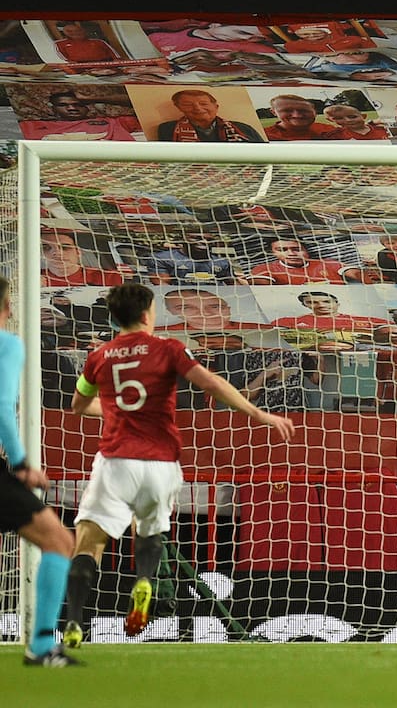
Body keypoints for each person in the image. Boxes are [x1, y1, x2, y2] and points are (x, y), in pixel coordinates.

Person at [64, 283, 294, 648]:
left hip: (115, 459)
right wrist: (257, 413)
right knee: (150, 530)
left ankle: (73, 621)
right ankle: (144, 581)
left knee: (89, 544)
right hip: (160, 462)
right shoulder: (168, 349)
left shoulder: (99, 357)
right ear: (146, 314)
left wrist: (117, 410)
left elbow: (78, 405)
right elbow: (212, 384)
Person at [0, 276, 78, 666]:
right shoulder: (8, 344)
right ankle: (43, 644)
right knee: (59, 541)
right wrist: (20, 462)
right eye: (8, 303)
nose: (12, 310)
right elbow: (1, 408)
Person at [20, 89, 142, 141]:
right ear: (54, 109)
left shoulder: (113, 122)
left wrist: (92, 98)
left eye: (78, 104)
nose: (72, 108)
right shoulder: (29, 125)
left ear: (87, 107)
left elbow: (145, 104)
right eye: (63, 105)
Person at [154, 89, 265, 143]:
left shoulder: (243, 128)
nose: (197, 108)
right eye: (188, 105)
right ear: (179, 108)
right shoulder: (168, 129)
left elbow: (265, 155)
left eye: (204, 104)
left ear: (216, 106)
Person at [247, 237, 361, 285]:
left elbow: (356, 273)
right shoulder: (265, 268)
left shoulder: (328, 263)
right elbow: (260, 286)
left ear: (306, 250)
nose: (291, 254)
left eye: (297, 249)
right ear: (274, 253)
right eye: (283, 250)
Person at [160, 288, 275, 333]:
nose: (206, 313)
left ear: (228, 309)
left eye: (215, 306)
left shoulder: (266, 330)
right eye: (187, 308)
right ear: (171, 312)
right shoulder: (155, 334)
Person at [147, 232, 243, 284]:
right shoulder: (162, 259)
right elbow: (162, 288)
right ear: (184, 238)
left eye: (209, 240)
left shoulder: (221, 262)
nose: (204, 242)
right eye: (197, 238)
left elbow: (234, 286)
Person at [272, 291, 390, 333]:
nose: (321, 305)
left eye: (326, 301)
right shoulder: (289, 321)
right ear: (305, 305)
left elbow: (392, 328)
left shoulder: (363, 320)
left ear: (337, 303)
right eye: (313, 302)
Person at [41, 231, 124, 288]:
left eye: (65, 247)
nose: (57, 253)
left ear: (78, 252)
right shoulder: (31, 280)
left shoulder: (111, 277)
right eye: (46, 248)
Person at [145, 22, 277, 55]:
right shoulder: (162, 36)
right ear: (216, 23)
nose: (244, 38)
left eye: (253, 38)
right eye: (241, 31)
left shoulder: (245, 46)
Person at [264, 94, 351, 141]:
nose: (297, 115)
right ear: (273, 112)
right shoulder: (265, 136)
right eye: (287, 110)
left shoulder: (329, 130)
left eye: (304, 111)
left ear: (314, 111)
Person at [281, 23, 375, 54]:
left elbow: (372, 48)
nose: (312, 36)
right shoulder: (296, 44)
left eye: (315, 33)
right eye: (306, 34)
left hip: (342, 44)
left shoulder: (353, 39)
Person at [54, 21, 119, 63]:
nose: (75, 33)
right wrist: (70, 62)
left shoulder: (99, 41)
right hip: (80, 64)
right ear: (65, 33)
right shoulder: (59, 43)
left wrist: (117, 60)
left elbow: (113, 52)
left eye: (78, 30)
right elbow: (62, 55)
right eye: (70, 31)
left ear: (83, 31)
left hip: (103, 62)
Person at [322, 104, 390, 140]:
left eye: (353, 117)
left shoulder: (383, 130)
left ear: (363, 116)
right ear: (331, 120)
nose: (348, 120)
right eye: (339, 118)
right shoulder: (334, 135)